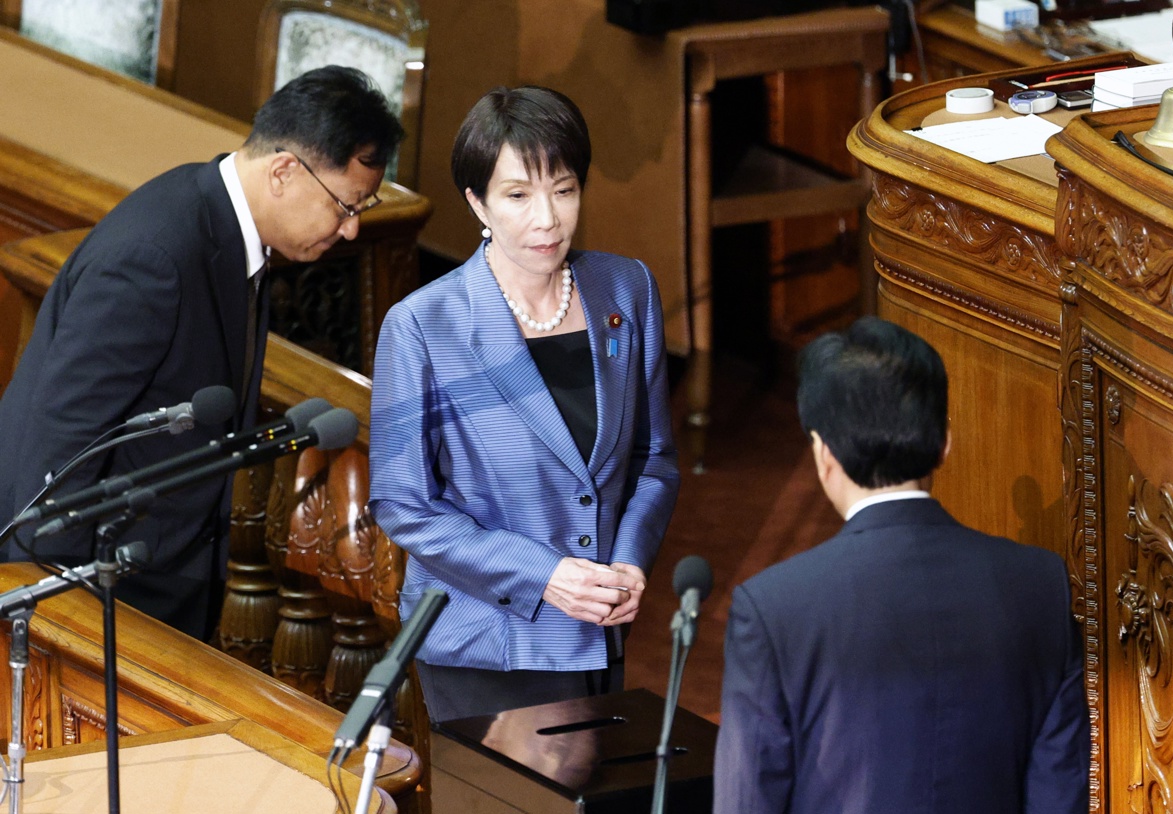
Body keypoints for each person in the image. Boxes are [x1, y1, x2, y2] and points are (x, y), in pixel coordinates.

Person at [0, 66, 401, 640]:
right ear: (285, 170)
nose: (352, 230)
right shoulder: (154, 257)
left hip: (159, 578)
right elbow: (62, 442)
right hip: (95, 592)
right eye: (346, 206)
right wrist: (50, 620)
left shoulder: (224, 223)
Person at [368, 86, 679, 722]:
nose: (547, 218)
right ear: (477, 202)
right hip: (486, 640)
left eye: (563, 190)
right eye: (518, 195)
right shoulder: (424, 325)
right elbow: (403, 504)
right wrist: (543, 575)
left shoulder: (626, 288)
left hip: (598, 624)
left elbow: (653, 459)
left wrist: (627, 562)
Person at [714, 317, 1089, 814]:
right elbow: (1059, 796)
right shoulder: (1040, 585)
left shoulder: (774, 609)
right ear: (944, 443)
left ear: (823, 453)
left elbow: (747, 802)